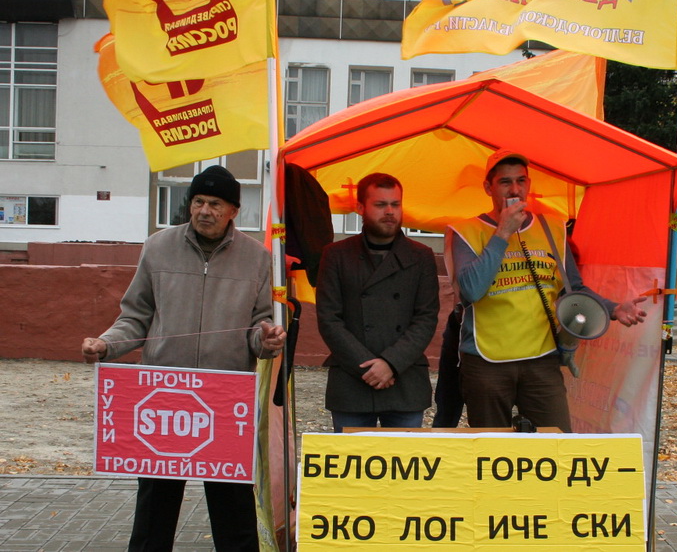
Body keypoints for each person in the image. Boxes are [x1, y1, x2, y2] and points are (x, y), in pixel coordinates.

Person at [80, 165, 286, 552]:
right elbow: (135, 317)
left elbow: (258, 327)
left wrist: (267, 340)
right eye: (198, 202)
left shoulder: (257, 259)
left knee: (233, 512)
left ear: (234, 210)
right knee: (154, 511)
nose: (205, 211)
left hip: (224, 401)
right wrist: (106, 345)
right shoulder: (157, 247)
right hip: (161, 398)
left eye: (216, 204)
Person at [446, 149, 647, 433]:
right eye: (505, 182)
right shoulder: (467, 231)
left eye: (521, 181)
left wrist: (613, 308)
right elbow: (470, 291)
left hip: (541, 360)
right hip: (487, 362)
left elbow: (573, 289)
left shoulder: (552, 227)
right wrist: (503, 233)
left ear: (529, 184)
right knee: (491, 448)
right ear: (488, 188)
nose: (514, 189)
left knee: (557, 443)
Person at [315, 173, 439, 432]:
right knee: (350, 459)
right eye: (381, 205)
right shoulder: (336, 255)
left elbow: (426, 318)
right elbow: (329, 319)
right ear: (361, 207)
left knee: (404, 458)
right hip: (352, 381)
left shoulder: (421, 256)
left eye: (395, 204)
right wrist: (368, 367)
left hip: (404, 380)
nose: (390, 212)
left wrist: (391, 363)